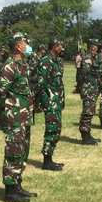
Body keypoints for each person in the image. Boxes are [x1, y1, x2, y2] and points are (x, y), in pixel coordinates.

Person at [0, 32, 37, 202]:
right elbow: (0, 91)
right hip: (14, 117)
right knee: (13, 152)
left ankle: (17, 184)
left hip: (24, 117)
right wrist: (4, 114)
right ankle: (10, 190)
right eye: (26, 43)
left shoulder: (22, 64)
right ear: (18, 47)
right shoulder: (10, 65)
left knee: (22, 151)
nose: (28, 46)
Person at [37, 36, 66, 171]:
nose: (62, 47)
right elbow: (41, 83)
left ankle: (50, 157)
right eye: (60, 45)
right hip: (50, 102)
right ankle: (47, 161)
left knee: (56, 129)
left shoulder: (55, 61)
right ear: (55, 46)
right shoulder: (46, 61)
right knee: (52, 129)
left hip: (56, 101)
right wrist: (44, 102)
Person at [78, 39, 101, 145]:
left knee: (90, 110)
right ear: (92, 47)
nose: (97, 48)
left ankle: (88, 134)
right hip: (88, 88)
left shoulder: (92, 57)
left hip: (92, 88)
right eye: (96, 46)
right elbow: (84, 74)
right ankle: (85, 136)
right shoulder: (88, 57)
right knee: (87, 111)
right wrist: (92, 83)